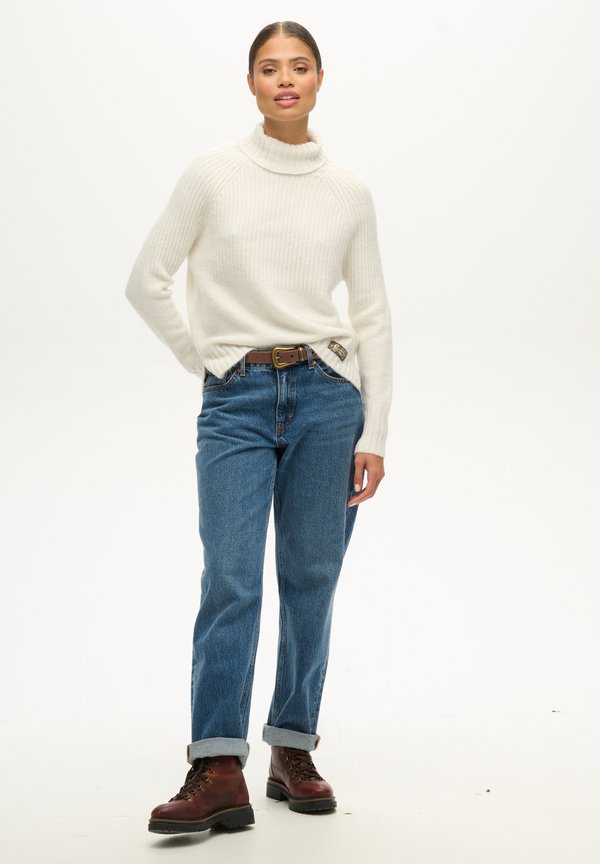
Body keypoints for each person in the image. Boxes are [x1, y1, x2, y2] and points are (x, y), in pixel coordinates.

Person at [125, 20, 393, 834]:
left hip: (328, 397)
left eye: (299, 67)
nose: (285, 80)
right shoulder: (212, 175)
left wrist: (375, 432)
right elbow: (147, 280)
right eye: (270, 68)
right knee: (232, 578)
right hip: (236, 399)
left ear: (320, 80)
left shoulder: (347, 191)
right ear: (250, 83)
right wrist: (204, 360)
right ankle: (216, 766)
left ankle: (291, 748)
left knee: (311, 576)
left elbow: (372, 315)